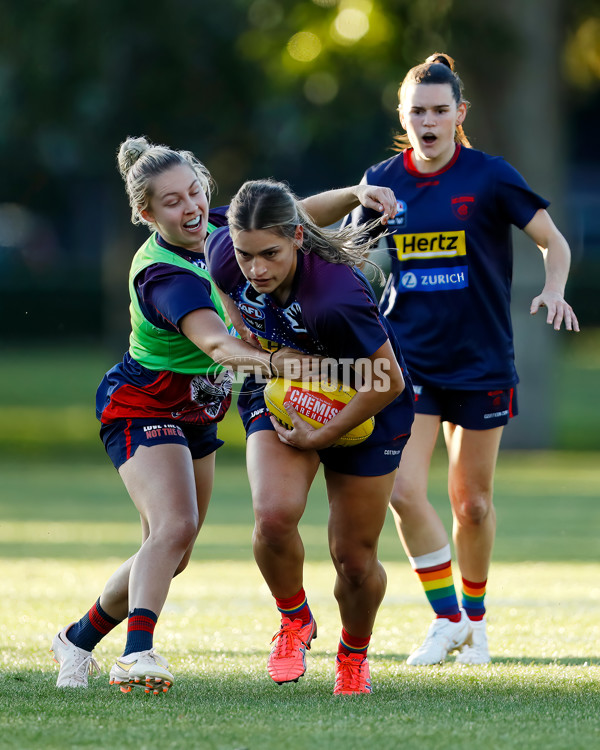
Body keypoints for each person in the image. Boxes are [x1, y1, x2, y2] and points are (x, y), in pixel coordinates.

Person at [50, 136, 399, 694]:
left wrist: (357, 192)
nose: (190, 207)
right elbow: (219, 345)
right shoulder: (164, 275)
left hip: (200, 410)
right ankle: (139, 653)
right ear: (146, 214)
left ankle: (77, 639)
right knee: (176, 529)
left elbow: (295, 218)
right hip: (146, 403)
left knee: (170, 553)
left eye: (195, 192)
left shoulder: (223, 230)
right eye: (171, 202)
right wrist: (283, 362)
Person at [344, 52, 579, 666]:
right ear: (403, 114)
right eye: (417, 110)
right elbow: (343, 259)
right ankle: (447, 619)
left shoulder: (490, 176)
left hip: (480, 361)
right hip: (408, 364)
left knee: (471, 503)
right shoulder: (381, 181)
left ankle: (475, 621)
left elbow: (553, 242)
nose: (428, 120)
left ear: (459, 114)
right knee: (401, 489)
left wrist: (553, 289)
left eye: (439, 110)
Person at [205, 178, 415, 695]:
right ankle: (295, 620)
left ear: (298, 239)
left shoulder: (334, 298)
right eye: (245, 254)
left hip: (367, 398)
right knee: (273, 516)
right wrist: (240, 324)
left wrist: (320, 433)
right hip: (282, 388)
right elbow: (235, 289)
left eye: (270, 255)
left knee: (355, 560)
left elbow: (388, 381)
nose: (256, 270)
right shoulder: (224, 254)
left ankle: (353, 654)